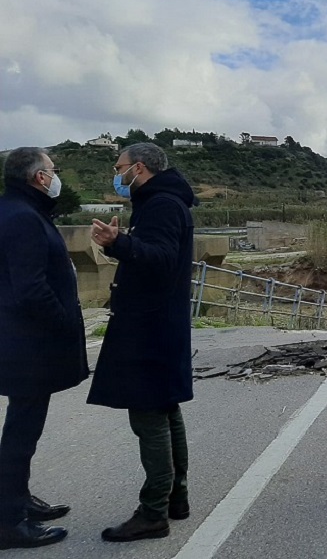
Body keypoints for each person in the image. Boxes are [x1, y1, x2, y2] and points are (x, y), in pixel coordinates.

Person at [87, 143, 196, 541]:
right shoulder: (161, 201)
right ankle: (175, 499)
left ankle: (153, 511)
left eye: (119, 168)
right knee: (166, 409)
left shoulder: (162, 205)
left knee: (149, 417)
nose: (116, 176)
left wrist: (118, 244)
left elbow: (161, 258)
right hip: (160, 324)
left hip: (149, 327)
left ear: (139, 168)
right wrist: (123, 243)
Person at [0, 148, 89, 549]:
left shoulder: (20, 211)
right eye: (52, 170)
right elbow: (31, 288)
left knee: (23, 430)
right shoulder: (22, 218)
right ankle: (8, 519)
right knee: (21, 433)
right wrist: (65, 323)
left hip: (22, 342)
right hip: (28, 346)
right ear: (38, 178)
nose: (56, 176)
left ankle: (18, 500)